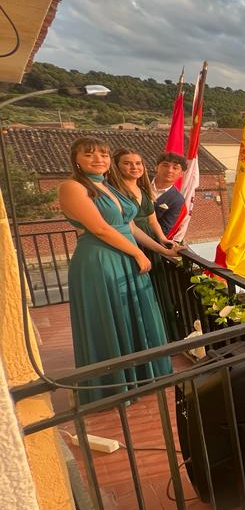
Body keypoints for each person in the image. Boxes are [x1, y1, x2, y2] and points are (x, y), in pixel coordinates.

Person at [60, 137, 177, 404]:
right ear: (76, 159)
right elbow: (101, 228)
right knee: (113, 318)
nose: (98, 159)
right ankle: (114, 386)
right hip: (102, 260)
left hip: (124, 255)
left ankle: (144, 376)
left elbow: (131, 226)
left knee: (133, 316)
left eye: (103, 154)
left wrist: (162, 249)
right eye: (89, 155)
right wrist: (136, 253)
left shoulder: (108, 186)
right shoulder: (72, 187)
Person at [110, 149, 175, 247]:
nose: (134, 167)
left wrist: (162, 239)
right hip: (126, 243)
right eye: (127, 163)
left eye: (138, 163)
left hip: (148, 243)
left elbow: (152, 221)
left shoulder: (145, 190)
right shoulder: (112, 192)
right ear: (116, 166)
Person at [151, 152, 186, 236]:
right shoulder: (140, 181)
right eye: (165, 165)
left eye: (175, 168)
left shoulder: (177, 199)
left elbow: (164, 229)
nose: (170, 170)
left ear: (181, 174)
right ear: (156, 167)